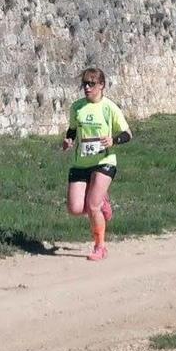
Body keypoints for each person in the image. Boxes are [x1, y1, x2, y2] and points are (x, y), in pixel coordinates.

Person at [62, 68, 132, 261]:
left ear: (101, 86)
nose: (86, 87)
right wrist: (68, 140)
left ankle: (100, 246)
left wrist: (114, 141)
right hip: (81, 163)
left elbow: (128, 134)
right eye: (84, 84)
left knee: (92, 206)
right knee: (75, 209)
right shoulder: (77, 107)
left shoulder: (109, 108)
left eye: (91, 84)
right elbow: (72, 130)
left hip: (104, 161)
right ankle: (103, 200)